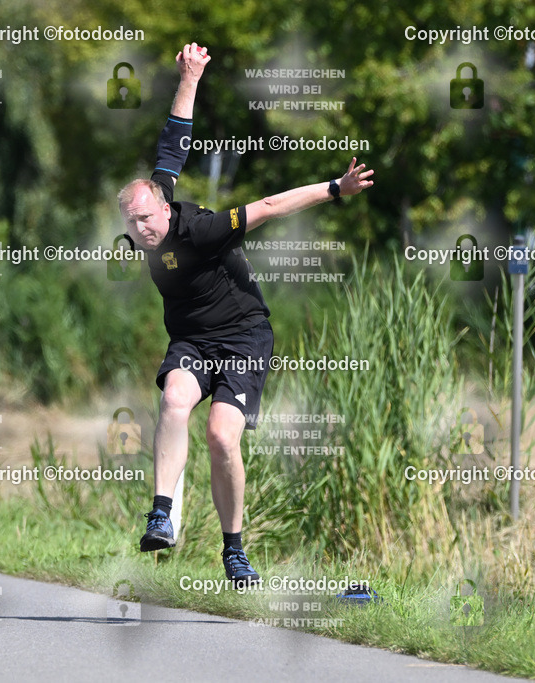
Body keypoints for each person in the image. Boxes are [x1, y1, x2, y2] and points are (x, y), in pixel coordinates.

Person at [118, 43, 374, 585]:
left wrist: (336, 187)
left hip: (242, 337)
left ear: (163, 210)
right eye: (132, 222)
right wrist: (190, 73)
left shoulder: (202, 230)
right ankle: (161, 515)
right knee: (174, 397)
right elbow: (174, 137)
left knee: (221, 437)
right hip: (191, 338)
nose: (141, 229)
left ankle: (234, 549)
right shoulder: (153, 204)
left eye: (146, 219)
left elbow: (271, 206)